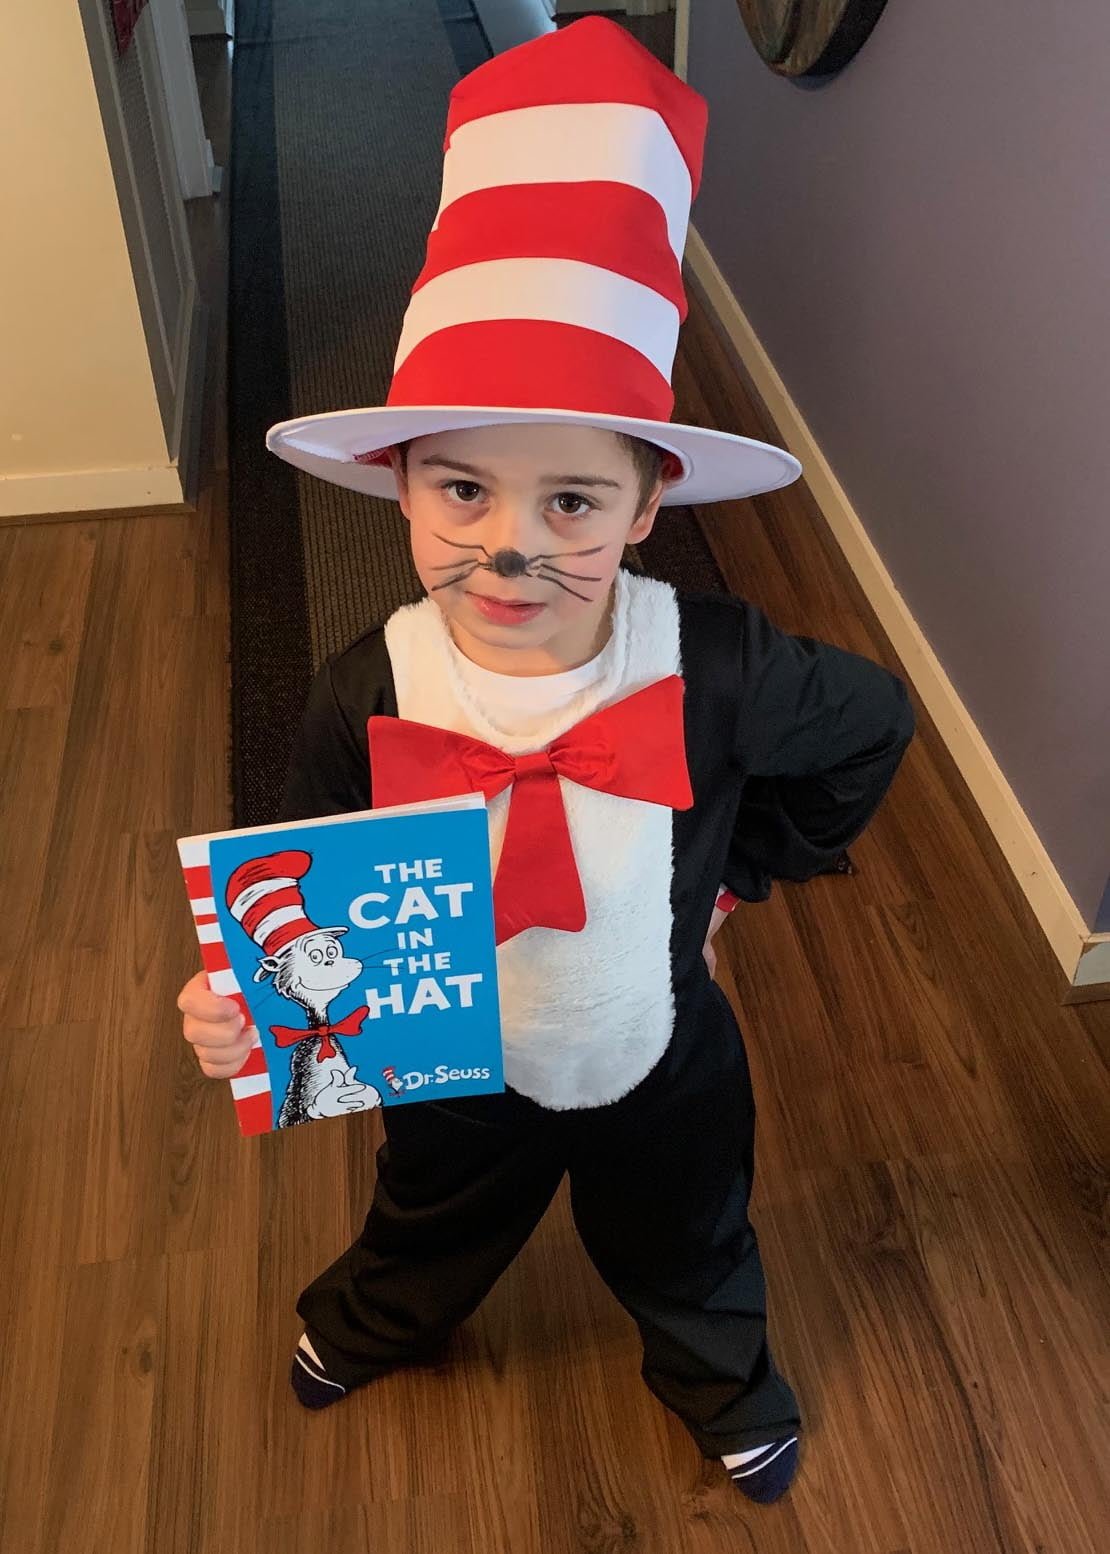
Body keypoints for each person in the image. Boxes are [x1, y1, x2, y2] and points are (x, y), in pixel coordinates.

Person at [177, 18, 914, 1505]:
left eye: (571, 500)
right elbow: (298, 877)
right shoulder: (365, 687)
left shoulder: (717, 662)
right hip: (455, 1056)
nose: (510, 546)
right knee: (428, 1214)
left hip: (660, 1045)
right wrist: (243, 1001)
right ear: (397, 482)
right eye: (463, 488)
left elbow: (871, 723)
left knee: (690, 1233)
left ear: (646, 506)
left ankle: (717, 1375)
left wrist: (745, 874)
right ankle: (379, 1318)